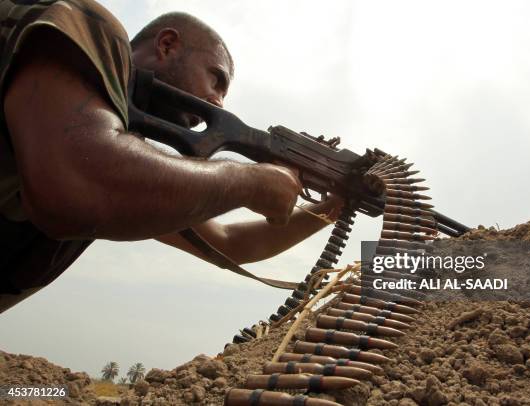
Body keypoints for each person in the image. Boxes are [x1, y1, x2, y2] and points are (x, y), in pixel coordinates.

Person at [0, 0, 342, 312]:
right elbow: (76, 184)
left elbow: (230, 243)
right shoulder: (92, 27)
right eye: (216, 79)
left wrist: (332, 207)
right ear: (167, 44)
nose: (219, 101)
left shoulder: (123, 165)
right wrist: (250, 182)